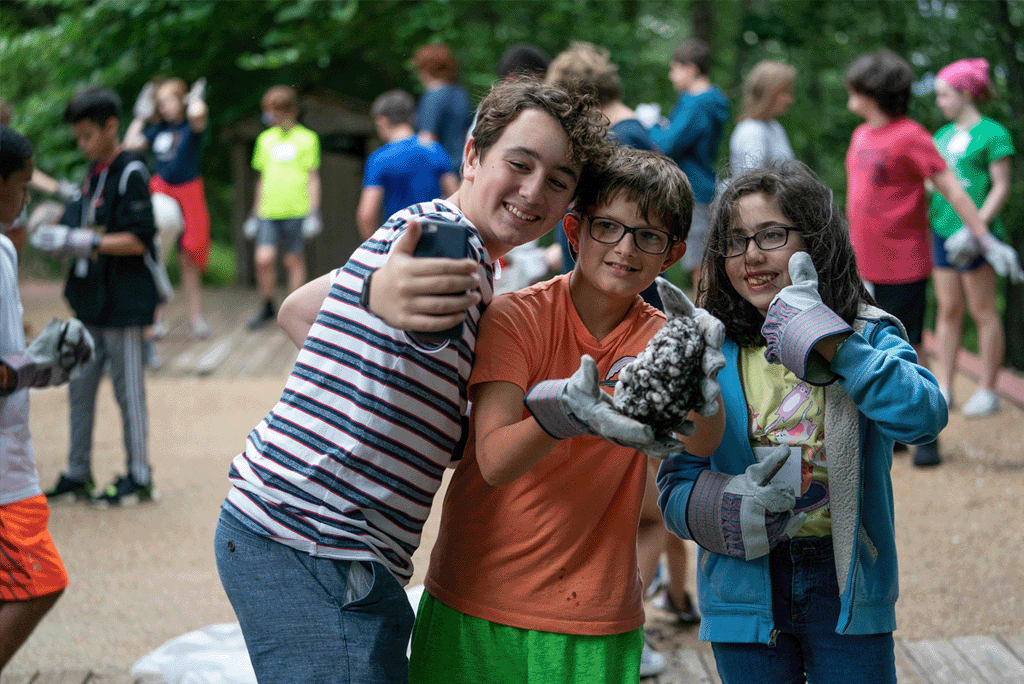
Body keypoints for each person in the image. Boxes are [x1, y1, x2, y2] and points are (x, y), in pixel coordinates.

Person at [214, 78, 616, 683]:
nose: (534, 190)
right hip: (316, 539)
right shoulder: (444, 246)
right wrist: (393, 301)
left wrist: (407, 402)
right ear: (473, 156)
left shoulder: (447, 238)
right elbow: (406, 296)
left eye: (558, 181)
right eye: (520, 163)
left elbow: (297, 308)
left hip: (291, 528)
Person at [408, 147, 725, 684]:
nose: (625, 248)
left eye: (648, 236)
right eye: (608, 227)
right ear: (574, 230)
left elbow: (700, 445)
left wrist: (704, 387)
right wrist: (566, 417)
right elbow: (494, 460)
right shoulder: (516, 318)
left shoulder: (662, 338)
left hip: (594, 615)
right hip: (476, 595)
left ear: (670, 255)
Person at [657, 161, 947, 684]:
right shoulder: (707, 349)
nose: (751, 255)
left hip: (847, 588)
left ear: (816, 241)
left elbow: (924, 418)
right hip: (742, 592)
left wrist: (834, 343)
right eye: (735, 240)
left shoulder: (864, 333)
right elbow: (674, 487)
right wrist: (723, 506)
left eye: (771, 234)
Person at [844, 48, 1003, 467]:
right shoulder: (861, 135)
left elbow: (951, 188)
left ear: (873, 92)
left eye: (855, 89)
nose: (850, 96)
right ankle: (890, 431)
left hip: (902, 263)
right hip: (863, 263)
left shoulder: (911, 135)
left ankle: (926, 434)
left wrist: (983, 237)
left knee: (908, 346)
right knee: (868, 344)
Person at [34, 86, 160, 506]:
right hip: (89, 303)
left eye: (88, 134)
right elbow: (73, 224)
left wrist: (82, 241)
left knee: (129, 393)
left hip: (124, 305)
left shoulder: (131, 172)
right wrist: (55, 234)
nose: (82, 143)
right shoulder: (91, 175)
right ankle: (78, 472)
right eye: (78, 136)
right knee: (79, 388)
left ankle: (140, 476)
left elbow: (140, 240)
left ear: (111, 126)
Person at [0, 127, 93, 669]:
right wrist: (38, 368)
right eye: (23, 184)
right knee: (40, 582)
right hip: (5, 470)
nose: (28, 197)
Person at [929, 58, 1016, 418]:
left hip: (977, 237)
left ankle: (988, 387)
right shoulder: (941, 137)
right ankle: (945, 386)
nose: (939, 102)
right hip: (942, 231)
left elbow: (1001, 186)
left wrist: (977, 227)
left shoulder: (994, 133)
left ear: (965, 93)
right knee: (948, 309)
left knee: (983, 311)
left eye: (944, 94)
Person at [124, 77, 212, 340]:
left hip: (189, 192)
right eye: (159, 103)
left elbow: (197, 114)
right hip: (162, 192)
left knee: (190, 257)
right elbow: (129, 144)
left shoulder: (190, 127)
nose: (163, 107)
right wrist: (141, 114)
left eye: (168, 101)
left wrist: (194, 100)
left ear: (181, 100)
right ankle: (156, 318)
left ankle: (195, 319)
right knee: (155, 254)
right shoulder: (156, 130)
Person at [648, 38, 730, 294]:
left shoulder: (698, 103)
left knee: (699, 262)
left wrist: (650, 126)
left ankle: (705, 321)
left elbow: (668, 144)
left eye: (675, 68)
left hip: (693, 188)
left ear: (691, 68)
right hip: (703, 184)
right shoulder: (708, 101)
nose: (672, 76)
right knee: (699, 258)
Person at [243, 85, 321, 330]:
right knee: (263, 259)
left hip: (297, 209)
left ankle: (294, 310)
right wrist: (254, 215)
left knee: (292, 261)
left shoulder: (307, 138)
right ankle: (267, 305)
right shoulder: (265, 139)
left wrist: (313, 212)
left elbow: (313, 177)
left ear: (289, 111)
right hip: (268, 210)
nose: (271, 117)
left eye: (275, 111)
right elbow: (262, 179)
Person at [356, 89, 458, 241]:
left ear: (382, 121)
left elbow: (366, 215)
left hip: (398, 242)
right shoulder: (435, 150)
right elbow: (456, 197)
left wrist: (377, 250)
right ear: (413, 118)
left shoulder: (378, 159)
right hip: (436, 241)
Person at [413, 43, 473, 176]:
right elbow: (466, 133)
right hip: (463, 167)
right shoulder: (461, 94)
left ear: (425, 68)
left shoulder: (432, 97)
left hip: (442, 174)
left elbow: (427, 140)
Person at [729, 60, 797, 176]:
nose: (790, 100)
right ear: (770, 93)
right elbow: (752, 183)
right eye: (785, 93)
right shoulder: (751, 130)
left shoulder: (775, 127)